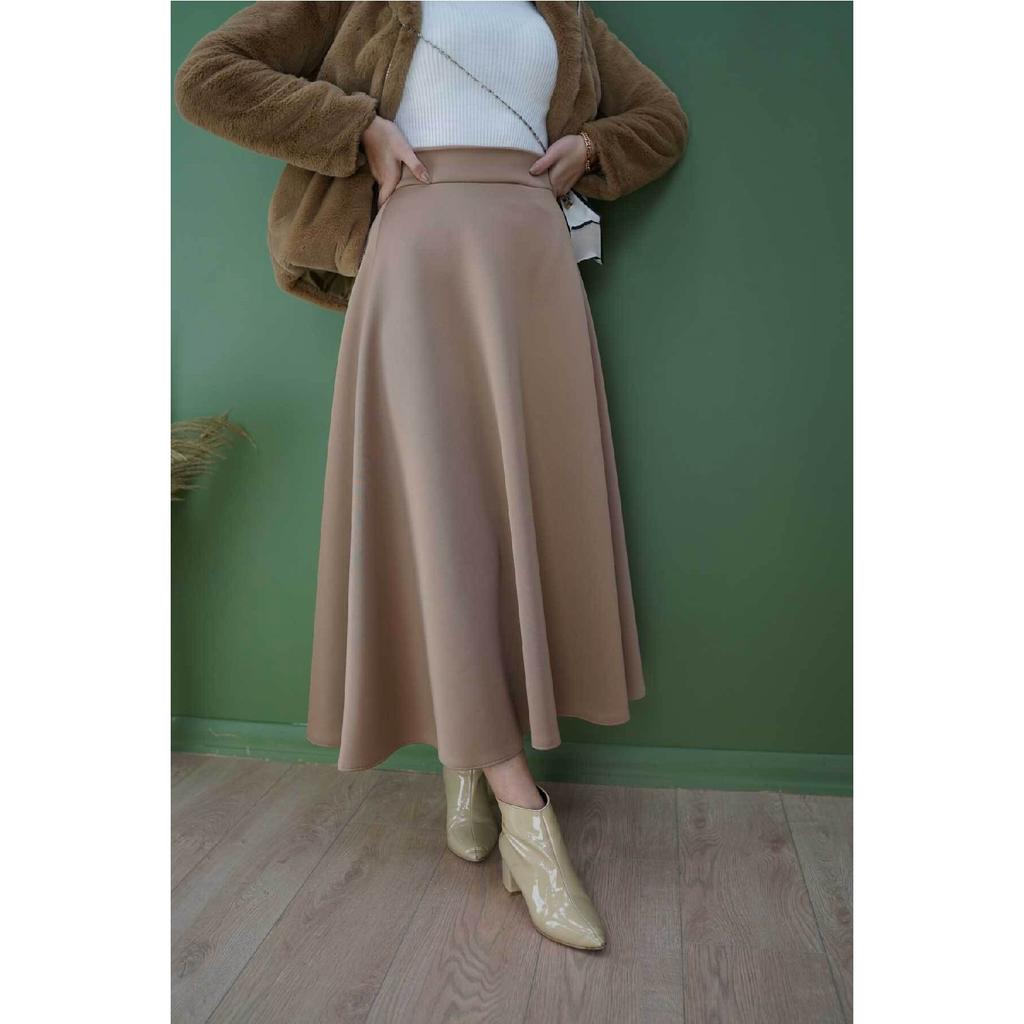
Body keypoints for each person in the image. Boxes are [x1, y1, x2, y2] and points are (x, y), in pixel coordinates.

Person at [175, 0, 687, 952]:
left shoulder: (563, 11)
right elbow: (208, 79)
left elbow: (662, 120)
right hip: (414, 257)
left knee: (520, 520)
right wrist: (356, 128)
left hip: (532, 265)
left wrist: (590, 149)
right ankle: (523, 812)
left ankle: (466, 757)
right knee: (441, 521)